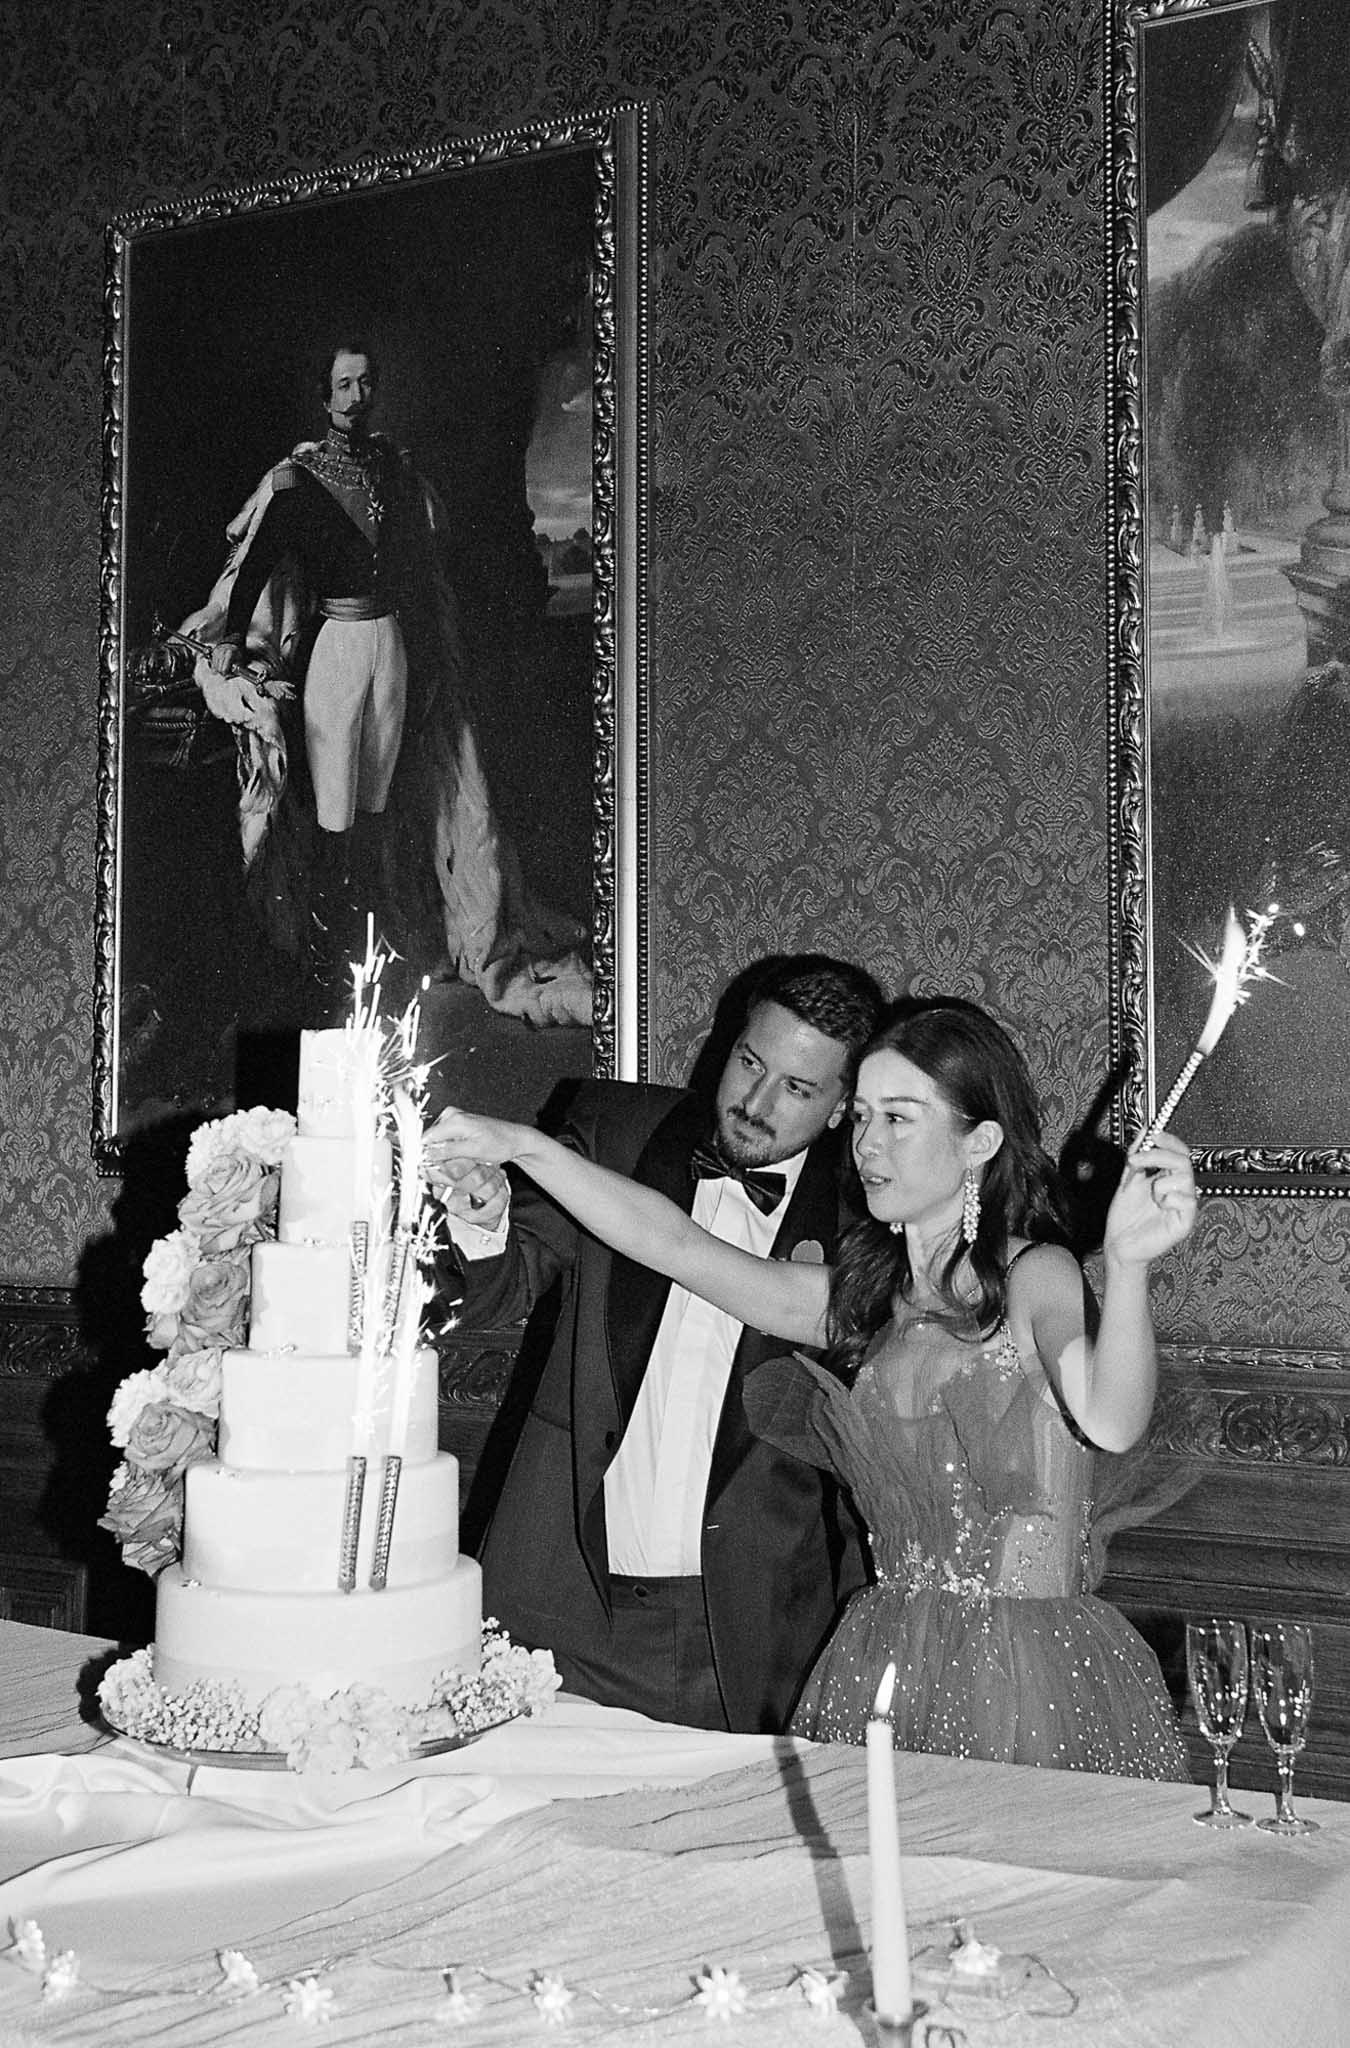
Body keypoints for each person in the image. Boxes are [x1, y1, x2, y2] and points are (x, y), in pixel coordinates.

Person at [428, 996, 1199, 1777]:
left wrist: (1129, 1265)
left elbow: (1110, 1421)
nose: (867, 1144)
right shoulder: (864, 1300)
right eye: (860, 1116)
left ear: (980, 1143)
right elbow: (672, 1242)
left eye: (899, 1119)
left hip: (1024, 1666)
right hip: (891, 1652)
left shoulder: (1037, 1273)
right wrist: (524, 1146)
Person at [424, 954, 886, 1734]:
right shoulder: (615, 1135)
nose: (756, 1101)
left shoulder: (870, 1221)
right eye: (749, 1063)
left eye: (798, 1089)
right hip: (558, 1605)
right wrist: (481, 1208)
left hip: (740, 1637)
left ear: (845, 1107)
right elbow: (504, 1283)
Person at [175, 337, 591, 1024]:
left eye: (365, 383)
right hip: (337, 650)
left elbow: (419, 575)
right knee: (336, 817)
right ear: (324, 395)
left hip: (391, 648)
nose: (355, 397)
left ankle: (375, 960)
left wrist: (429, 667)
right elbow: (253, 575)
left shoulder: (397, 474)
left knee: (378, 813)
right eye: (342, 385)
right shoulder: (295, 481)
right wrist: (224, 647)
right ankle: (336, 969)